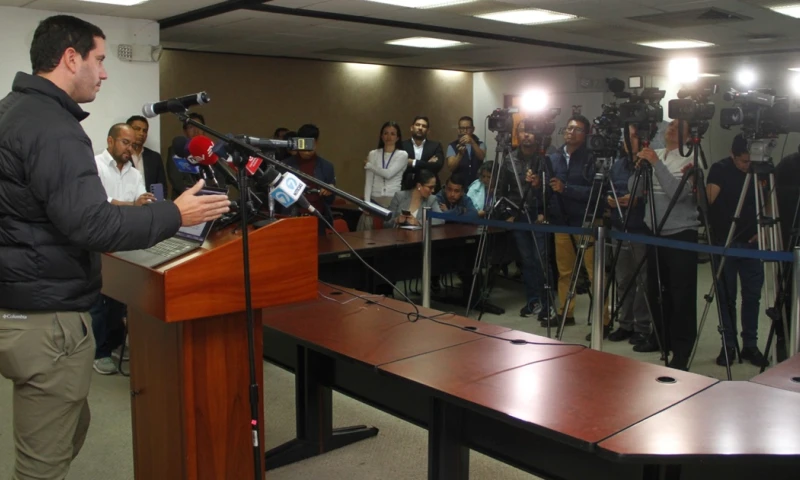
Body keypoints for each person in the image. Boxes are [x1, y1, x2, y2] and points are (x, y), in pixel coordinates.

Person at [0, 15, 230, 479]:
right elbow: (92, 224)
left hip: (22, 300)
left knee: (69, 422)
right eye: (100, 60)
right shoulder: (53, 126)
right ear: (70, 58)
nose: (104, 72)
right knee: (42, 462)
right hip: (46, 316)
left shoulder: (13, 109)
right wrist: (176, 215)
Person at [634, 119, 699, 371]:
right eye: (669, 126)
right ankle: (659, 337)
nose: (669, 130)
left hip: (681, 233)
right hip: (654, 232)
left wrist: (656, 164)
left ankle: (681, 350)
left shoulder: (692, 158)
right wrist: (639, 168)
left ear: (687, 134)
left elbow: (679, 194)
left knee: (681, 293)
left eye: (676, 128)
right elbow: (635, 191)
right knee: (657, 290)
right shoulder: (656, 153)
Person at [91, 123, 156, 374]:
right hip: (99, 241)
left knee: (120, 298)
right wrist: (132, 204)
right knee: (99, 300)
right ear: (110, 141)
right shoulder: (94, 165)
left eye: (133, 144)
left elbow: (142, 203)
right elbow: (100, 202)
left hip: (125, 242)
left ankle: (115, 343)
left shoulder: (135, 173)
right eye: (124, 142)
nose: (130, 148)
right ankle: (100, 352)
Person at [707, 134, 768, 367]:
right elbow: (708, 202)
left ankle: (750, 345)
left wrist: (763, 230)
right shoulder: (720, 169)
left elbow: (767, 201)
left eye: (750, 161)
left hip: (753, 244)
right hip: (725, 242)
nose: (747, 166)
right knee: (726, 298)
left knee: (752, 297)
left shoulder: (761, 170)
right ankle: (728, 345)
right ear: (733, 156)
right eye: (743, 161)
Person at [548, 115, 608, 329]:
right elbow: (550, 187)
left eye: (577, 129)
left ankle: (604, 319)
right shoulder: (554, 156)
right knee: (565, 271)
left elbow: (597, 192)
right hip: (561, 221)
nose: (571, 132)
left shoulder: (593, 157)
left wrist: (567, 189)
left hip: (587, 219)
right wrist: (538, 183)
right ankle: (566, 313)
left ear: (586, 134)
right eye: (569, 127)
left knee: (594, 272)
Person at [496, 120, 551, 319]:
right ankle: (532, 301)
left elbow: (550, 190)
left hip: (538, 216)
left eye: (530, 131)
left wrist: (545, 212)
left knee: (541, 260)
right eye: (522, 131)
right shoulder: (509, 159)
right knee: (527, 261)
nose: (526, 135)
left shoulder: (544, 158)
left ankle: (547, 303)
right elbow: (500, 191)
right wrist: (506, 214)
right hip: (518, 216)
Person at [606, 125, 654, 349]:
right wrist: (611, 199)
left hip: (641, 229)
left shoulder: (649, 163)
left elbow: (656, 196)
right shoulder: (617, 165)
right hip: (618, 227)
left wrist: (637, 200)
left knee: (643, 282)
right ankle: (624, 323)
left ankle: (642, 327)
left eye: (634, 136)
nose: (629, 141)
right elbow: (609, 188)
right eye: (627, 137)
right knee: (623, 280)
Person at [281, 123, 336, 234]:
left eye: (311, 146)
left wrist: (330, 191)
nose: (307, 151)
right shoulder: (285, 166)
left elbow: (330, 201)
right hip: (292, 220)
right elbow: (280, 199)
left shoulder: (327, 167)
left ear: (316, 143)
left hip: (318, 219)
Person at [398, 116, 444, 190]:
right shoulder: (401, 146)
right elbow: (399, 166)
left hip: (429, 189)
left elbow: (437, 166)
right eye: (417, 125)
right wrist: (427, 164)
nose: (420, 128)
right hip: (406, 188)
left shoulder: (435, 146)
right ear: (411, 128)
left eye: (424, 126)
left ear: (428, 131)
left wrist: (413, 162)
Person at [126, 114, 168, 194]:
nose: (141, 133)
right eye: (137, 129)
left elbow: (162, 187)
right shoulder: (121, 155)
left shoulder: (155, 157)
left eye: (144, 131)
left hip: (151, 204)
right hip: (128, 204)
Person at [445, 116, 486, 186]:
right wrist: (460, 155)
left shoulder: (480, 144)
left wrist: (472, 142)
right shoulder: (452, 146)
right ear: (458, 130)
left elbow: (481, 157)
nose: (465, 131)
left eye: (468, 128)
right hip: (458, 185)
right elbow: (451, 168)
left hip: (477, 184)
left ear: (473, 129)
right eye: (462, 128)